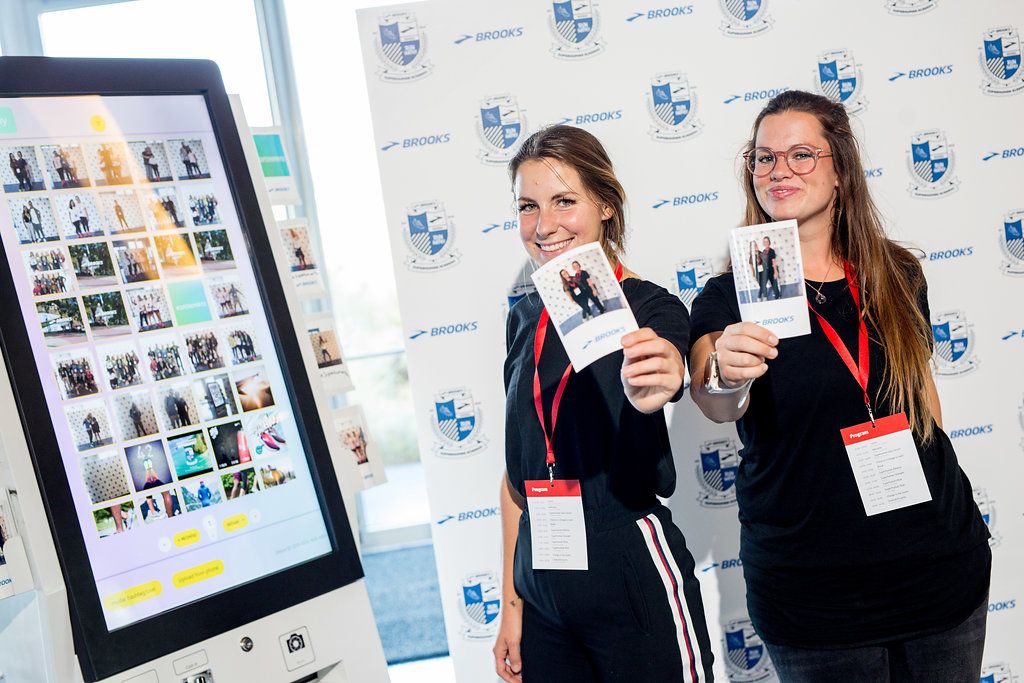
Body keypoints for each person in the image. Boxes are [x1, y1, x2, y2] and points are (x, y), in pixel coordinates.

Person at [687, 90, 990, 683]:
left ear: (841, 169)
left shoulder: (896, 272)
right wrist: (723, 369)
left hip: (938, 572)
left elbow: (923, 399)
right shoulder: (728, 297)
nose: (779, 170)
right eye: (764, 157)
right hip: (813, 598)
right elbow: (714, 397)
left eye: (802, 154)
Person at [495, 125, 714, 683]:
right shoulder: (523, 317)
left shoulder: (650, 306)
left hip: (627, 568)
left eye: (564, 201)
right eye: (528, 206)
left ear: (607, 207)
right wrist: (513, 605)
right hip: (542, 582)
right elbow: (515, 479)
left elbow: (666, 358)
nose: (543, 225)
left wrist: (660, 376)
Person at [756, 235, 781, 300]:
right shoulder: (763, 252)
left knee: (774, 285)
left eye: (767, 241)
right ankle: (763, 296)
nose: (766, 242)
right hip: (765, 272)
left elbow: (774, 261)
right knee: (763, 285)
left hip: (772, 271)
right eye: (764, 241)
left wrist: (775, 272)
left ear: (769, 242)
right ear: (763, 243)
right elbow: (761, 262)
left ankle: (777, 297)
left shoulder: (771, 251)